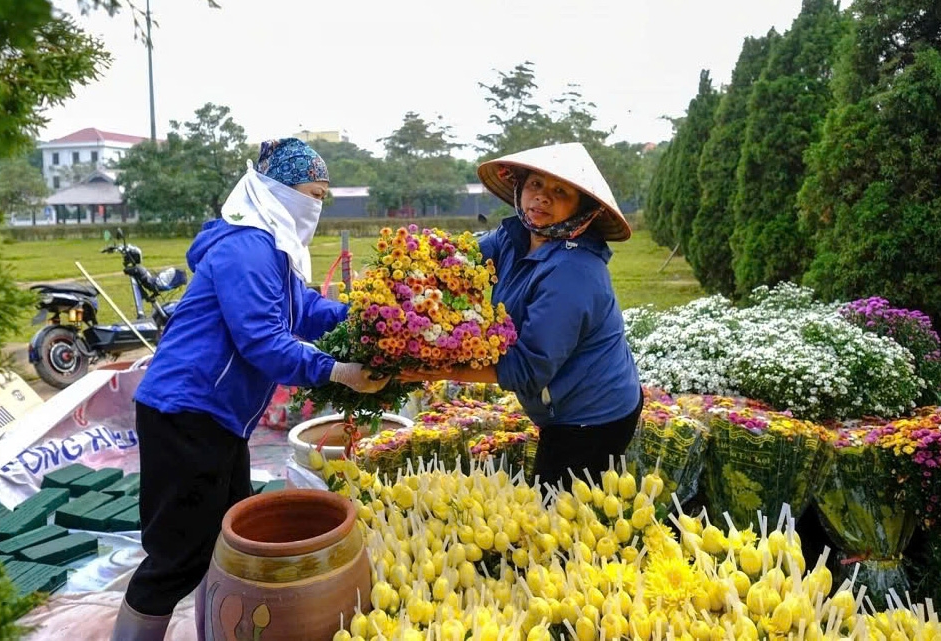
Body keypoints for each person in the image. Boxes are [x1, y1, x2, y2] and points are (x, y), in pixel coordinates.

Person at [111, 139, 388, 641]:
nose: (316, 207)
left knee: (228, 538)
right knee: (178, 556)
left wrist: (370, 317)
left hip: (217, 419)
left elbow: (303, 309)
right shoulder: (247, 247)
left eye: (323, 197)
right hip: (186, 413)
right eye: (311, 193)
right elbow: (263, 341)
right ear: (276, 189)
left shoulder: (274, 248)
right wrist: (338, 371)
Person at [400, 142, 643, 494]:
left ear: (581, 209)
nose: (542, 198)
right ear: (520, 188)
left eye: (560, 192)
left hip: (592, 416)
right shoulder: (514, 237)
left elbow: (528, 370)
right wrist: (404, 270)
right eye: (535, 185)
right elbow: (459, 259)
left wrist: (439, 369)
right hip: (560, 403)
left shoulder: (573, 273)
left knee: (558, 515)